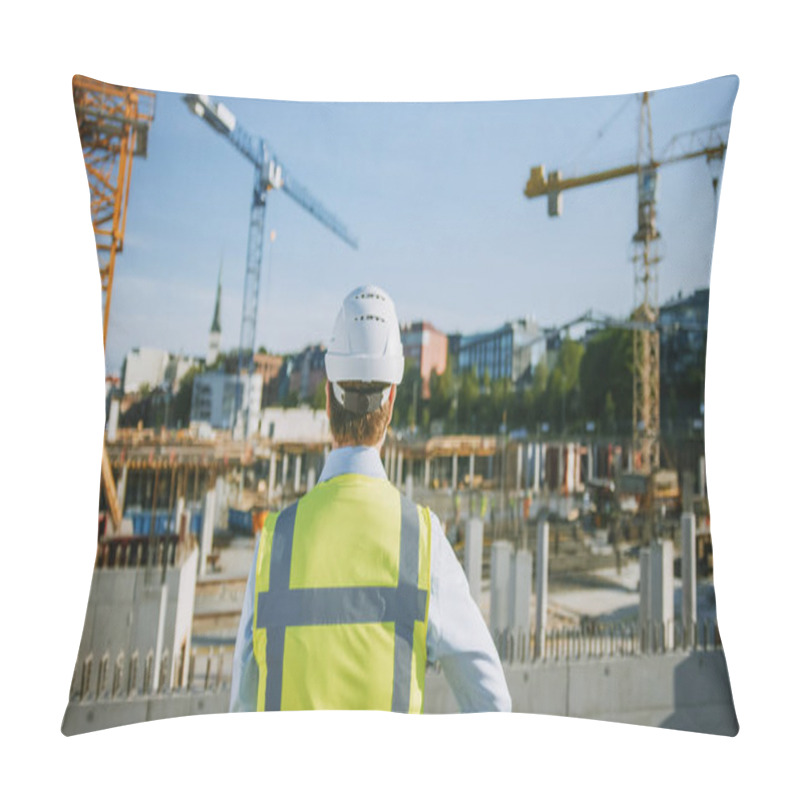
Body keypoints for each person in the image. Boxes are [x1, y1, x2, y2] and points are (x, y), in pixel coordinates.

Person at [230, 285, 511, 713]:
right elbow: (493, 704)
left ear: (327, 398)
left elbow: (242, 711)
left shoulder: (275, 542)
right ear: (392, 402)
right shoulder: (422, 541)